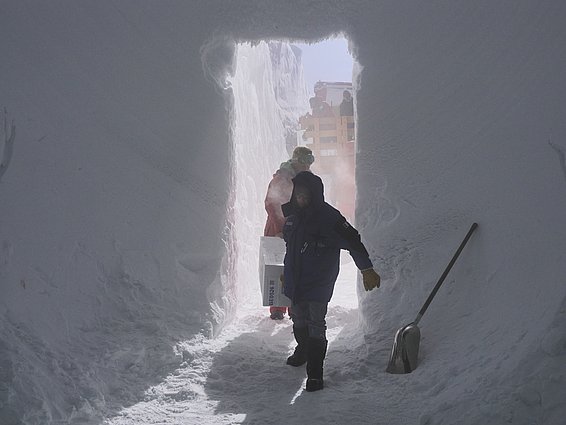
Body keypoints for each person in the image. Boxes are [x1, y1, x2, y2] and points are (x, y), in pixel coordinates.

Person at [281, 171, 380, 391]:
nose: (300, 198)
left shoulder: (330, 218)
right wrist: (284, 271)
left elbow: (353, 242)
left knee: (316, 324)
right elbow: (289, 248)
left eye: (305, 194)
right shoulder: (293, 217)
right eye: (297, 193)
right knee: (298, 318)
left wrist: (366, 268)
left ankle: (315, 373)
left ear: (315, 194)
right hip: (295, 281)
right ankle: (303, 350)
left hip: (318, 283)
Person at [263, 146, 315, 320]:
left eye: (310, 162)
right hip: (278, 229)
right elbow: (272, 203)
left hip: (296, 230)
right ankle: (278, 307)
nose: (308, 166)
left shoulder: (304, 178)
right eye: (305, 162)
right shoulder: (282, 178)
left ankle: (294, 306)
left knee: (295, 267)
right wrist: (280, 230)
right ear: (296, 161)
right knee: (279, 267)